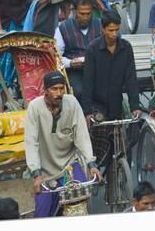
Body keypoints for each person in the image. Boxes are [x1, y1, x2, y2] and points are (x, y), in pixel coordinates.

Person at [24, 71, 102, 218]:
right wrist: (36, 173)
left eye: (62, 88)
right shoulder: (34, 108)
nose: (59, 93)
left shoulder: (71, 103)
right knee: (42, 214)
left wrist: (91, 164)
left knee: (80, 204)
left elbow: (82, 136)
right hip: (45, 171)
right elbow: (31, 142)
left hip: (69, 165)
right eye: (54, 89)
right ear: (45, 91)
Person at [82, 10, 141, 122]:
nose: (114, 34)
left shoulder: (126, 47)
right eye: (111, 30)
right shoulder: (92, 49)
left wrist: (135, 106)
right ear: (103, 29)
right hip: (97, 104)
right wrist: (87, 111)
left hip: (116, 103)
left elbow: (131, 78)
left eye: (117, 30)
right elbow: (88, 81)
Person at [54, 0, 102, 107]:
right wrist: (70, 63)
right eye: (82, 14)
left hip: (98, 69)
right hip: (76, 71)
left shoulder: (100, 25)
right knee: (79, 92)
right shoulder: (63, 28)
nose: (85, 17)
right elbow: (56, 56)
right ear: (74, 11)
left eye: (88, 14)